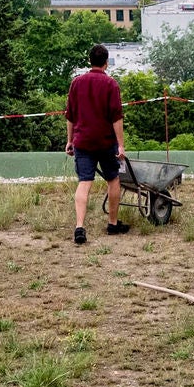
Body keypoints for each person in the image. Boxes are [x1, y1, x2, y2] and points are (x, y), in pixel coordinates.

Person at [65, 44, 127, 245]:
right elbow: (116, 118)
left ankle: (80, 227)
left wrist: (69, 141)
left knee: (84, 182)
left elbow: (70, 116)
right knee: (113, 180)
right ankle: (112, 223)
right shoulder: (111, 85)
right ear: (106, 63)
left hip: (82, 141)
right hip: (105, 142)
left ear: (89, 61)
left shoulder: (77, 83)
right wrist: (120, 145)